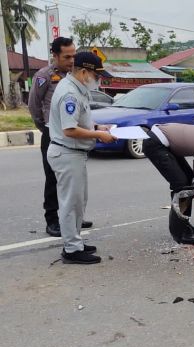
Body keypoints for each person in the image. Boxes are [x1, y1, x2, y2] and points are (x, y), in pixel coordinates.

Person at [46, 52, 116, 264]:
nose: (98, 80)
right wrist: (99, 135)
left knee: (78, 201)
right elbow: (69, 130)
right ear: (84, 72)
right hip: (67, 152)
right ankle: (72, 250)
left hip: (73, 153)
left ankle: (75, 242)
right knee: (70, 203)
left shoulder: (77, 89)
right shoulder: (70, 93)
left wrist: (96, 127)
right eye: (97, 75)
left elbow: (79, 121)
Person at [28, 37, 93, 237]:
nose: (72, 60)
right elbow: (33, 105)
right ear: (55, 55)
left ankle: (74, 219)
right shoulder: (44, 76)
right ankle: (53, 220)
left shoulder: (75, 76)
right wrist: (45, 128)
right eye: (67, 56)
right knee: (53, 178)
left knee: (74, 181)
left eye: (74, 55)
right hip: (54, 133)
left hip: (74, 134)